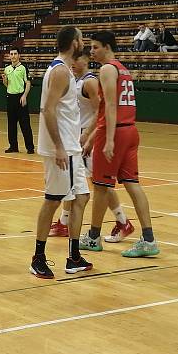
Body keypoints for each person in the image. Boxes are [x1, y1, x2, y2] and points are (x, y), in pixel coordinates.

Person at [80, 30, 160, 258]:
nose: (92, 51)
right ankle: (148, 239)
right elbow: (109, 108)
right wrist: (93, 136)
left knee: (101, 186)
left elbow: (111, 108)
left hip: (115, 132)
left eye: (95, 47)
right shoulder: (123, 69)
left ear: (106, 46)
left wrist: (108, 139)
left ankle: (93, 237)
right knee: (133, 184)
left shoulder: (106, 69)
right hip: (131, 131)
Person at [49, 48, 134, 243]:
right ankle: (64, 221)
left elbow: (100, 112)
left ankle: (122, 221)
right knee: (78, 182)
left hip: (89, 139)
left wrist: (88, 136)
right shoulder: (76, 80)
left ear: (84, 60)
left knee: (100, 184)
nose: (72, 62)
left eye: (76, 59)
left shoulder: (90, 82)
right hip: (78, 137)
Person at [30, 26, 93, 278]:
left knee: (81, 197)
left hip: (71, 147)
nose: (83, 41)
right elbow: (48, 110)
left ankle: (74, 256)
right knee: (53, 199)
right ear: (74, 43)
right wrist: (57, 146)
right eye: (80, 38)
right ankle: (38, 258)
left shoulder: (65, 70)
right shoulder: (59, 71)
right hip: (61, 148)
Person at [1, 49, 34, 154]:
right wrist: (4, 80)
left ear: (19, 55)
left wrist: (24, 95)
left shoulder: (23, 68)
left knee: (25, 124)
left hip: (20, 98)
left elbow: (28, 83)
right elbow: (7, 85)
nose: (13, 56)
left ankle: (30, 147)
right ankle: (13, 146)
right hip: (10, 97)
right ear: (9, 56)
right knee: (11, 124)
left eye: (15, 54)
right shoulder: (7, 69)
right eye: (11, 54)